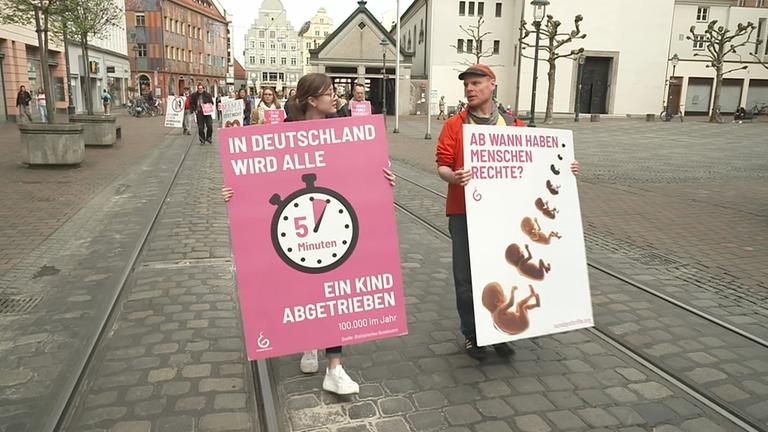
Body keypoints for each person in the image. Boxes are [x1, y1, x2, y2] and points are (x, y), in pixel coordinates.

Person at [222, 73, 396, 395]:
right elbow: (258, 175)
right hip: (297, 221)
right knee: (303, 282)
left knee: (333, 285)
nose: (335, 97)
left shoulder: (344, 129)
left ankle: (335, 366)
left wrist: (381, 177)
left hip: (329, 219)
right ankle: (307, 341)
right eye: (329, 93)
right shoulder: (282, 133)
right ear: (311, 100)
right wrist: (236, 193)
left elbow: (360, 166)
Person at [435, 64, 579, 360]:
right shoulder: (454, 125)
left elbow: (536, 165)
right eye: (466, 85)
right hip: (464, 212)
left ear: (492, 84)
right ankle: (473, 334)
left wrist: (565, 168)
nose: (470, 89)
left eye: (476, 83)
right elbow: (442, 164)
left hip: (504, 213)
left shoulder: (513, 126)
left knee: (502, 271)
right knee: (466, 276)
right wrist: (452, 176)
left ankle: (497, 332)